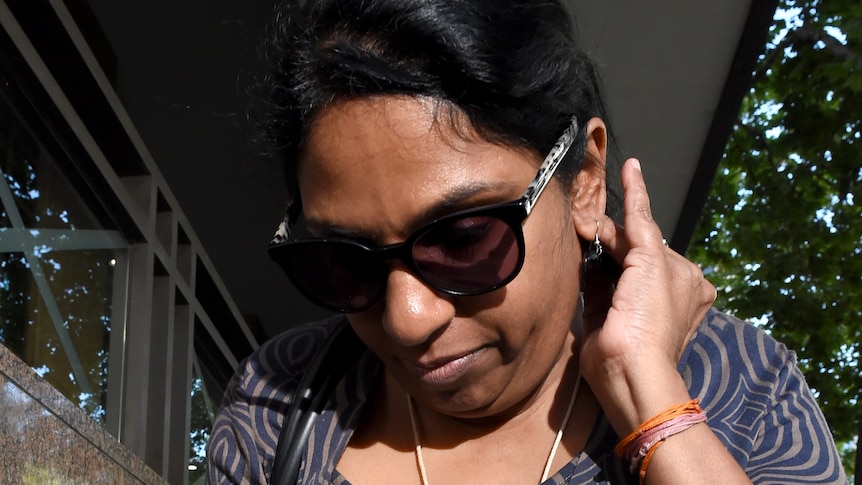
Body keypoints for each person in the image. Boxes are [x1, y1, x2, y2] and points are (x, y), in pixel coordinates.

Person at [206, 0, 848, 484]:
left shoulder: (738, 388)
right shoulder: (280, 403)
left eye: (462, 238)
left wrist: (652, 401)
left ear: (587, 181)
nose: (407, 320)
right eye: (344, 260)